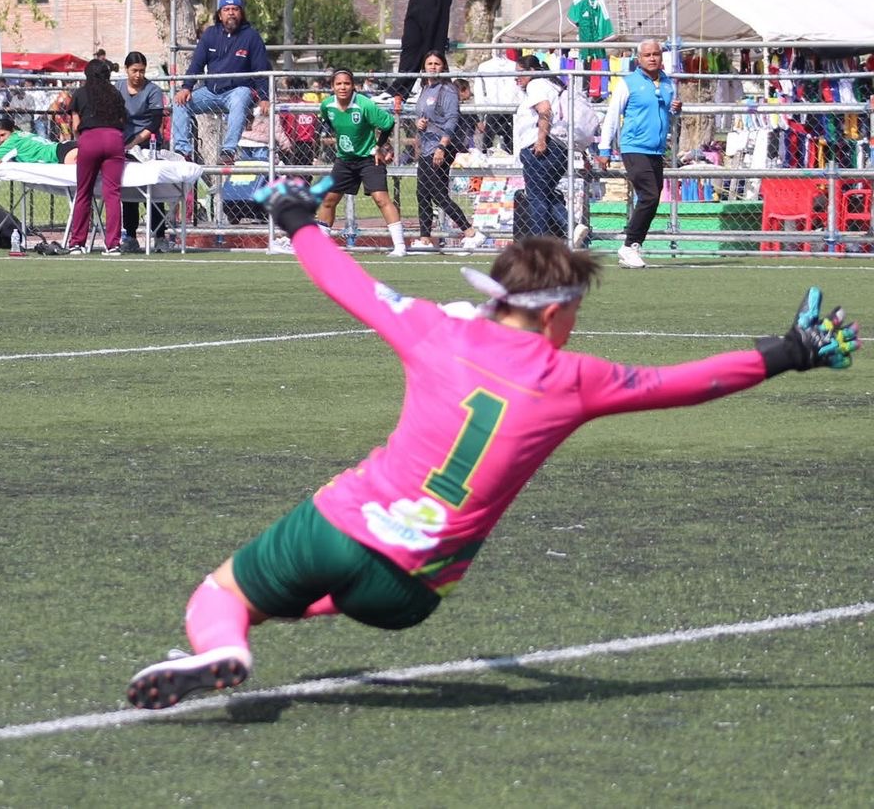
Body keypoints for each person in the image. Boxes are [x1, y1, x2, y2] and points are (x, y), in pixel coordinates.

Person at [125, 176, 859, 709]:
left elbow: (346, 282)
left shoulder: (436, 328)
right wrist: (789, 351)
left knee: (225, 591)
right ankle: (240, 632)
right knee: (321, 592)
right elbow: (687, 382)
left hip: (342, 526)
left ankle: (224, 644)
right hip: (412, 590)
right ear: (557, 313)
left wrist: (297, 220)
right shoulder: (578, 378)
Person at [600, 38, 682, 270]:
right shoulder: (628, 83)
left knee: (653, 199)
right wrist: (604, 149)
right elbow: (613, 116)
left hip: (656, 149)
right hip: (634, 147)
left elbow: (668, 114)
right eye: (647, 55)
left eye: (656, 54)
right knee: (649, 195)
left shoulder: (667, 83)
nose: (653, 58)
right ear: (639, 59)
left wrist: (675, 110)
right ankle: (628, 245)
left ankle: (633, 245)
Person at [316, 69, 408, 256]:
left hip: (368, 159)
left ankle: (400, 246)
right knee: (329, 200)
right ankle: (320, 247)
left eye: (347, 83)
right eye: (338, 83)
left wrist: (379, 147)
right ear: (332, 86)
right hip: (344, 160)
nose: (343, 87)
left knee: (381, 199)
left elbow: (388, 123)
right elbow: (331, 124)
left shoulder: (365, 104)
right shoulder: (326, 105)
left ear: (353, 86)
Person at [170, 0, 272, 163]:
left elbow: (260, 70)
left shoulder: (251, 36)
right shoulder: (210, 34)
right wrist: (186, 87)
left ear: (241, 13)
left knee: (240, 97)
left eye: (235, 9)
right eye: (226, 10)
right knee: (179, 102)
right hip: (211, 92)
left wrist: (264, 98)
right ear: (219, 15)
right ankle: (182, 151)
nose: (231, 13)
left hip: (237, 91)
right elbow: (196, 64)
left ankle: (228, 150)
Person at [411, 52, 485, 251]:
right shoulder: (425, 88)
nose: (433, 67)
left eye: (437, 63)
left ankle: (471, 232)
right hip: (427, 146)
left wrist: (442, 147)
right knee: (422, 194)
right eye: (429, 63)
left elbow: (452, 120)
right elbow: (424, 116)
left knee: (438, 193)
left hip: (441, 147)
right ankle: (425, 239)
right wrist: (420, 124)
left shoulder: (448, 90)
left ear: (443, 67)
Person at [64, 57, 129, 255]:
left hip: (90, 139)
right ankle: (113, 244)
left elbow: (76, 126)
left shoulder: (80, 94)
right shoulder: (115, 94)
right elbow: (122, 120)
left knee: (83, 192)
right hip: (114, 139)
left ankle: (77, 243)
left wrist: (81, 144)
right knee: (112, 194)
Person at [513, 54, 571, 241]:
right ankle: (573, 228)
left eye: (520, 73)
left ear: (532, 71)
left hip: (541, 149)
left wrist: (541, 139)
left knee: (536, 198)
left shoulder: (536, 84)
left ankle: (540, 243)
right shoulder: (553, 85)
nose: (517, 78)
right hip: (560, 148)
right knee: (545, 194)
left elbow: (545, 110)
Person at [118, 50, 168, 252]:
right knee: (129, 189)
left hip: (147, 143)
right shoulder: (118, 87)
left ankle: (160, 236)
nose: (138, 75)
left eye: (141, 71)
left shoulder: (153, 90)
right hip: (124, 144)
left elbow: (155, 121)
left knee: (152, 190)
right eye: (134, 71)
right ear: (126, 70)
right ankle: (130, 235)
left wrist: (136, 142)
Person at [473, 50, 522, 153]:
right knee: (489, 142)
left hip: (511, 110)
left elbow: (519, 87)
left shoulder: (514, 66)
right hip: (493, 109)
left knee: (511, 140)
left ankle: (511, 157)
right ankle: (488, 159)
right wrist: (480, 116)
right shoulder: (484, 66)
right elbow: (479, 91)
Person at [0, 116, 73, 167]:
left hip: (63, 154)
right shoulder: (22, 134)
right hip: (65, 148)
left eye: (3, 135)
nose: (1, 140)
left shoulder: (12, 141)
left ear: (12, 130)